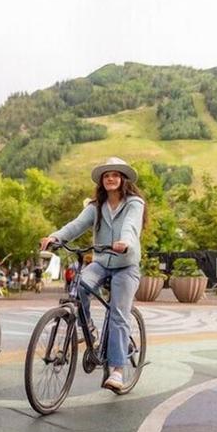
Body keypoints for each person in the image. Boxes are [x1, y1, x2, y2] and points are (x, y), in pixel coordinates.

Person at [40, 157, 145, 392]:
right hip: (101, 262)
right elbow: (76, 225)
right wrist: (55, 237)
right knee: (80, 285)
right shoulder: (95, 206)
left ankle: (117, 370)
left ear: (123, 179)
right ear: (101, 181)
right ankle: (87, 327)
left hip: (126, 265)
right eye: (106, 175)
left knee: (118, 314)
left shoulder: (134, 203)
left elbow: (131, 226)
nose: (110, 178)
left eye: (115, 175)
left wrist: (126, 242)